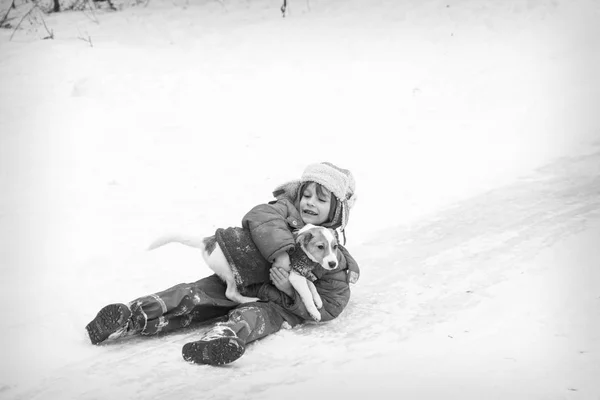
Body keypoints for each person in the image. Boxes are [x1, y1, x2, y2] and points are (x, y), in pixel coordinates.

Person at [85, 162, 360, 365]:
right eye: (307, 195)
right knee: (195, 294)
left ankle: (221, 338)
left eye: (321, 200)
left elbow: (331, 306)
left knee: (254, 317)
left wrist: (289, 291)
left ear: (335, 213)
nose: (310, 203)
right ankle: (133, 315)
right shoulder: (282, 211)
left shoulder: (335, 260)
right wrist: (281, 252)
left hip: (275, 304)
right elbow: (261, 217)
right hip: (241, 275)